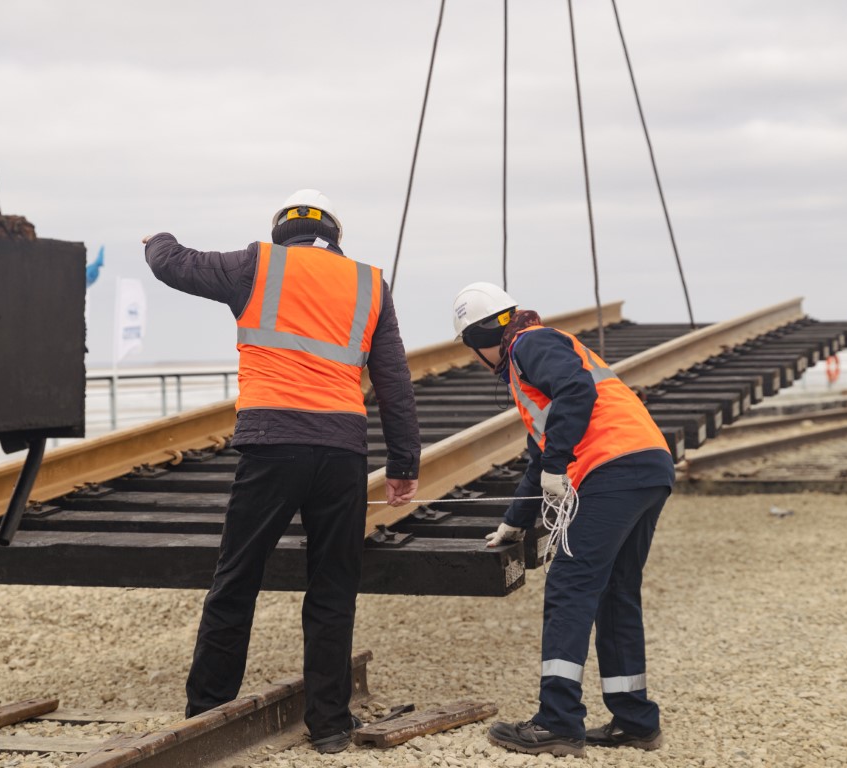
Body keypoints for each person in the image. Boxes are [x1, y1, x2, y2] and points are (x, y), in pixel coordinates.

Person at [143, 189, 420, 754]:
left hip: (271, 444)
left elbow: (176, 266)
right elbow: (394, 381)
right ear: (334, 233)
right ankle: (331, 726)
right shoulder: (370, 283)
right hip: (342, 450)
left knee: (237, 578)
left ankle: (208, 714)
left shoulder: (257, 265)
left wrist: (157, 241)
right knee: (333, 586)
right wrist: (402, 463)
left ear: (282, 231)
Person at [452, 282, 675, 758]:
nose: (477, 360)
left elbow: (576, 391)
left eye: (473, 350)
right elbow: (541, 455)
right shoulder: (532, 356)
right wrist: (515, 521)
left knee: (570, 586)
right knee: (615, 591)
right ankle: (635, 720)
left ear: (479, 339)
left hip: (612, 468)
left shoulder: (530, 343)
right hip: (646, 464)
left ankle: (557, 721)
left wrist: (559, 467)